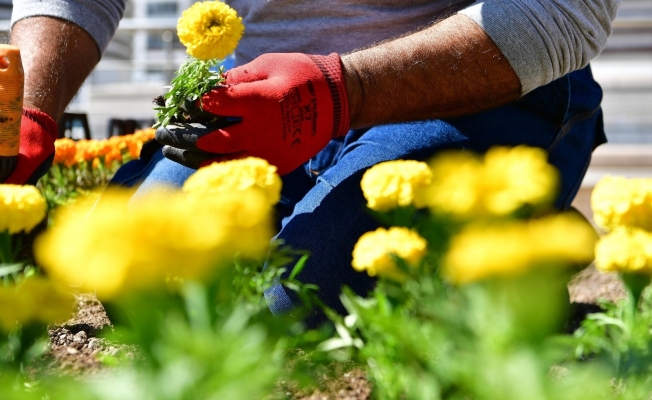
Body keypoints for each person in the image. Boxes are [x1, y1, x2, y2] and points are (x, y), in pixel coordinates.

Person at [9, 0, 620, 316]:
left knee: (298, 302)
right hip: (257, 85)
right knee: (146, 282)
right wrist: (32, 108)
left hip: (467, 80)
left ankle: (520, 248)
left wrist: (341, 91)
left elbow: (569, 9)